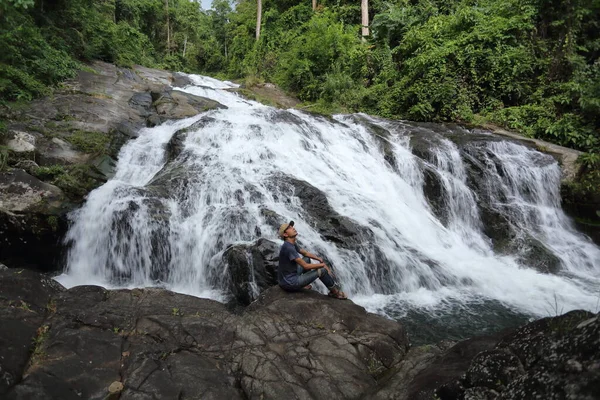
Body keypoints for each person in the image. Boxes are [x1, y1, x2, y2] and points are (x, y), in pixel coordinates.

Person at [277, 221, 347, 299]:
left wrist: (318, 259)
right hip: (290, 283)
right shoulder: (288, 247)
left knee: (307, 259)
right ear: (285, 234)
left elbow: (305, 253)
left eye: (292, 226)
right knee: (322, 271)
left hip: (286, 278)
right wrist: (322, 265)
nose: (293, 228)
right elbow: (305, 266)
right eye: (289, 228)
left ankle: (304, 284)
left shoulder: (291, 243)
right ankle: (335, 293)